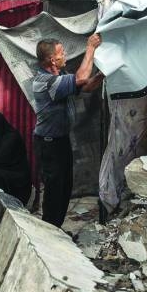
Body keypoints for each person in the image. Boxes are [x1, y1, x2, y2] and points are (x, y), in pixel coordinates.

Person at [32, 33, 104, 227]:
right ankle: (49, 231)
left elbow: (87, 86)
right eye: (61, 53)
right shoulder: (46, 81)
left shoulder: (60, 77)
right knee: (54, 191)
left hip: (60, 141)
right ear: (52, 60)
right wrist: (90, 48)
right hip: (48, 144)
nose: (65, 55)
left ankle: (57, 229)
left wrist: (103, 73)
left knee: (65, 188)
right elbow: (81, 77)